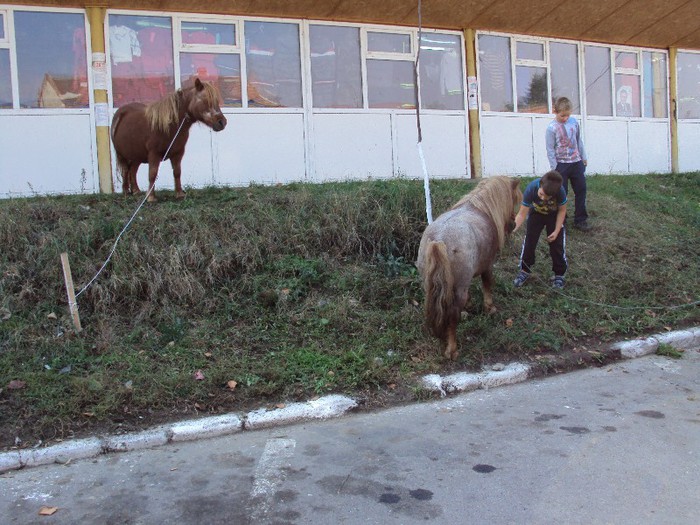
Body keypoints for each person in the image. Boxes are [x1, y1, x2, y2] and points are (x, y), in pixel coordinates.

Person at [513, 170, 568, 289]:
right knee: (529, 242)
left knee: (556, 245)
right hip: (536, 214)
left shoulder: (560, 191)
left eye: (547, 197)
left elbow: (562, 210)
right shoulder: (531, 188)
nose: (543, 198)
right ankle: (524, 271)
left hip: (554, 216)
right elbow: (522, 214)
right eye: (541, 194)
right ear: (541, 185)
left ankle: (559, 275)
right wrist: (513, 228)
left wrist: (556, 230)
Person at [546, 97, 590, 231]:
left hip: (576, 162)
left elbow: (578, 141)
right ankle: (561, 220)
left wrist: (583, 157)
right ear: (555, 112)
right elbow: (550, 149)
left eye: (568, 115)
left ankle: (580, 219)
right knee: (561, 193)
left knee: (581, 190)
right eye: (562, 115)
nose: (565, 118)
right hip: (562, 165)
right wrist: (555, 167)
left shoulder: (574, 123)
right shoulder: (551, 128)